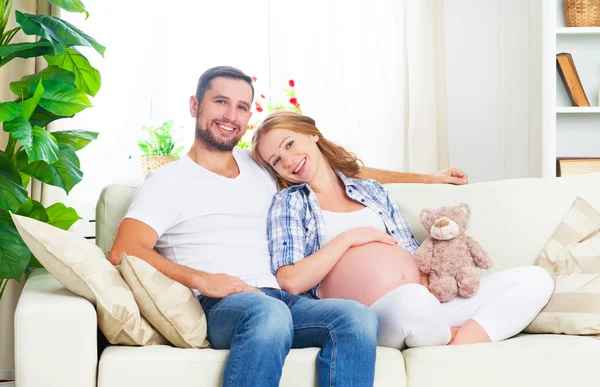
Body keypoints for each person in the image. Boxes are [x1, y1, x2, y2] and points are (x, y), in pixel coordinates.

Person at [109, 66, 468, 387]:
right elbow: (123, 250)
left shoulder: (261, 165)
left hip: (285, 299)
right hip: (221, 304)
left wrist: (425, 178)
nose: (230, 115)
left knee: (356, 318)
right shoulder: (166, 181)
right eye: (220, 102)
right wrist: (203, 280)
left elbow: (342, 170)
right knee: (268, 313)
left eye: (241, 107)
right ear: (194, 106)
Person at [251, 109, 555, 350]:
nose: (288, 160)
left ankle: (456, 344)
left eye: (289, 144)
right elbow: (291, 280)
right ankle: (441, 334)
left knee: (534, 279)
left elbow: (411, 249)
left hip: (428, 303)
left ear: (312, 134)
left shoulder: (370, 190)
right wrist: (349, 238)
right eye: (276, 160)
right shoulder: (289, 203)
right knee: (412, 300)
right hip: (377, 318)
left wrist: (433, 283)